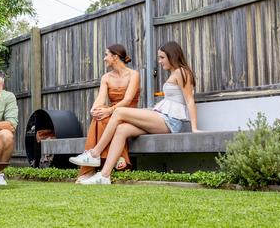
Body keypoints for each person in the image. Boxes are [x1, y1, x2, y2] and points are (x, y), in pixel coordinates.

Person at [69, 41, 201, 184]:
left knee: (118, 112)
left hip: (170, 121)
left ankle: (94, 153)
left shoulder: (182, 72)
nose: (160, 61)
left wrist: (194, 128)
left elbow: (189, 100)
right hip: (162, 117)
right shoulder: (174, 73)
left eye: (162, 57)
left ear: (172, 55)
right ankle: (104, 176)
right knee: (122, 129)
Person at [69, 44, 140, 184]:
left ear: (115, 57)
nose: (104, 58)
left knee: (105, 116)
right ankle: (116, 158)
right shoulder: (106, 77)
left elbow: (127, 100)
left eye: (106, 55)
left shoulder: (134, 74)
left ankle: (90, 168)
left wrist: (108, 110)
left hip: (130, 115)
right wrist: (94, 109)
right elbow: (101, 98)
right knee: (98, 118)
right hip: (112, 114)